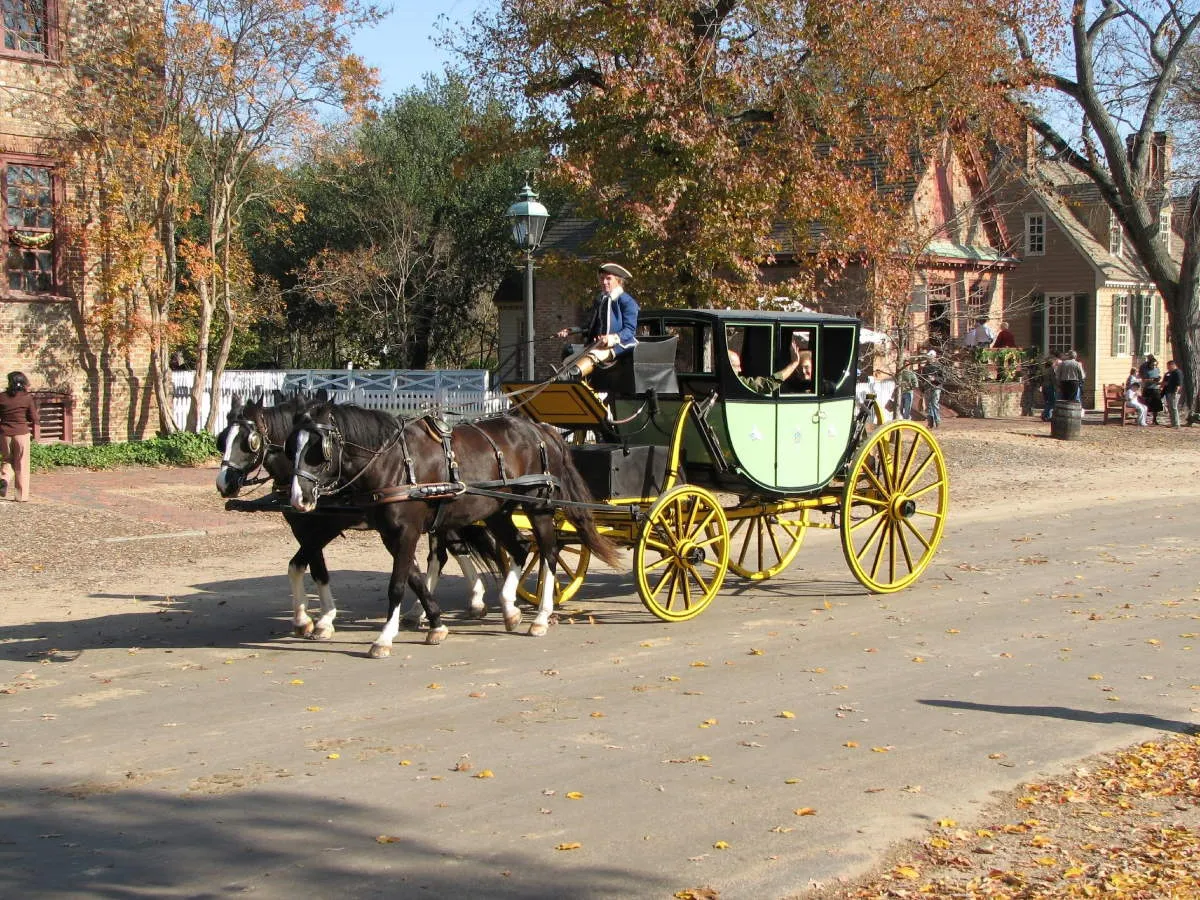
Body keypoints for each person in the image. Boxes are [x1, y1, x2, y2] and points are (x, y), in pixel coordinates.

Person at [555, 262, 640, 380]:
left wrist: (609, 339)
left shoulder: (627, 302)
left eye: (608, 279)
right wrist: (571, 330)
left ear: (618, 280)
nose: (604, 282)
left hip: (620, 345)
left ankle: (569, 377)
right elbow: (591, 326)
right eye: (602, 279)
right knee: (569, 359)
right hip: (597, 344)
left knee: (593, 355)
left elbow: (629, 331)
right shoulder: (600, 301)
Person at [0, 371, 37, 502]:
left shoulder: (2, 397)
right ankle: (21, 496)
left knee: (7, 460)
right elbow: (34, 417)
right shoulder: (27, 397)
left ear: (10, 382)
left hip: (5, 433)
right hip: (21, 433)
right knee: (22, 463)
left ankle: (4, 479)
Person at [727, 337, 804, 394]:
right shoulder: (735, 383)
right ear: (727, 367)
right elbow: (768, 385)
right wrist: (794, 364)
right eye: (736, 366)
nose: (740, 370)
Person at [918, 350, 944, 428]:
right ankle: (930, 423)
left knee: (934, 404)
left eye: (930, 356)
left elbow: (942, 379)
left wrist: (934, 378)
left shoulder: (939, 366)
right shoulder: (925, 367)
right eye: (928, 357)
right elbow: (921, 379)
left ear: (934, 356)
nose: (929, 358)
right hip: (927, 388)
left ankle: (937, 421)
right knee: (928, 406)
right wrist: (922, 390)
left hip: (936, 388)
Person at [1138, 354, 1163, 425]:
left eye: (1155, 365)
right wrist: (1151, 380)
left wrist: (1158, 379)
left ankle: (1154, 419)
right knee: (1146, 404)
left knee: (1156, 405)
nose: (1154, 366)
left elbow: (1158, 376)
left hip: (1155, 388)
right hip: (1147, 388)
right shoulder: (1145, 369)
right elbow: (1143, 379)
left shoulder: (1157, 369)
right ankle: (1144, 419)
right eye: (1153, 365)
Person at [1161, 359, 1182, 428]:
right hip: (1169, 392)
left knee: (1174, 407)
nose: (1168, 368)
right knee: (1170, 408)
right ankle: (1172, 423)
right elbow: (1169, 382)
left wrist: (1176, 392)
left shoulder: (1178, 372)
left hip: (1174, 392)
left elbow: (1179, 383)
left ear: (1173, 365)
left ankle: (1176, 424)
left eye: (1169, 366)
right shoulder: (1171, 373)